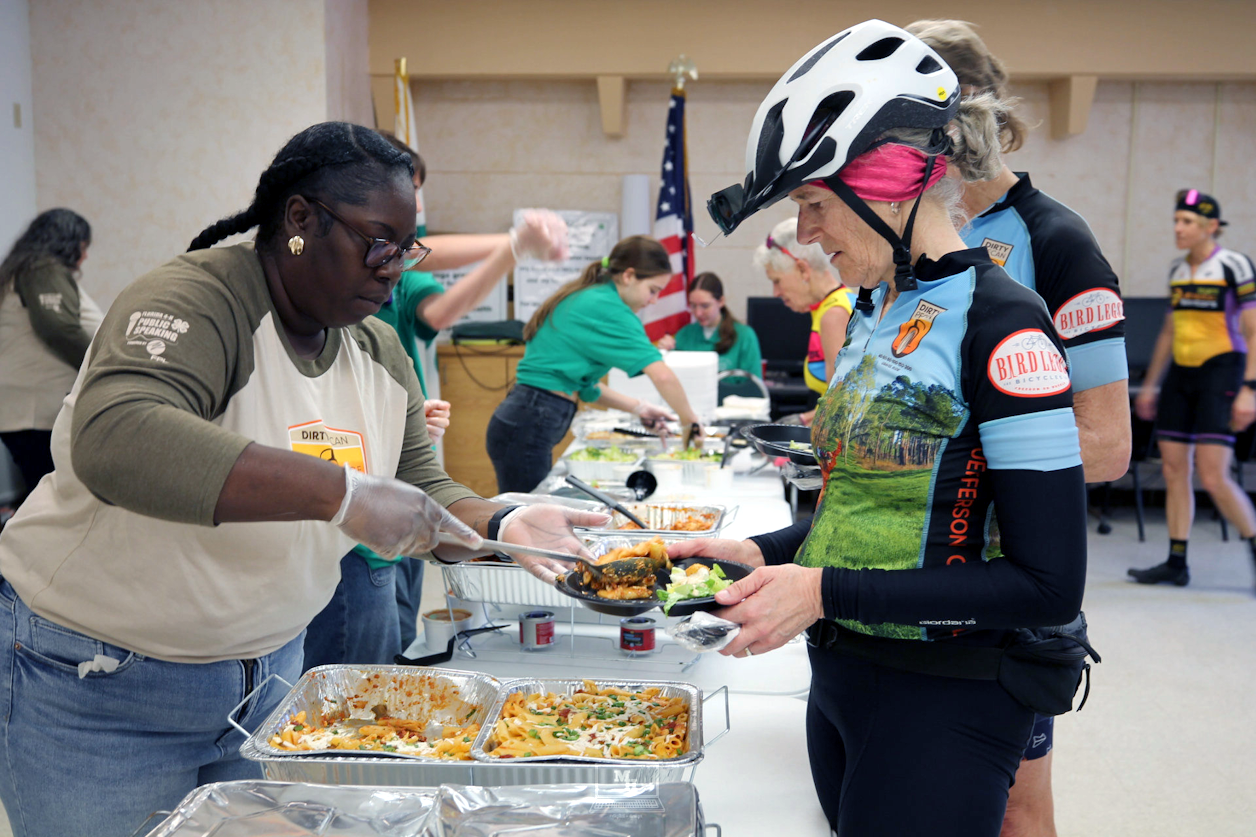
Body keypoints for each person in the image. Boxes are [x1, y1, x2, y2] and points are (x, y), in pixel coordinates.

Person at [0, 122, 602, 837]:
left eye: (405, 249)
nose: (392, 268)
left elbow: (423, 486)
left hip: (267, 687)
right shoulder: (199, 300)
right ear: (298, 220)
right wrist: (342, 493)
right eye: (376, 240)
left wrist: (498, 524)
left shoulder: (378, 348)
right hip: (104, 690)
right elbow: (117, 436)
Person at [689, 21, 1087, 837]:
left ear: (892, 179)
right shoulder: (876, 308)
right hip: (843, 672)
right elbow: (878, 507)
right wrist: (765, 551)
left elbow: (1050, 584)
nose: (804, 232)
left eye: (811, 203)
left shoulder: (1005, 323)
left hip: (947, 691)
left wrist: (824, 588)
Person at [906, 18, 1133, 837]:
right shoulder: (917, 244)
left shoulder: (1056, 241)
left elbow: (1107, 445)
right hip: (913, 578)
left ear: (961, 115)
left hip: (1008, 586)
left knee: (1015, 803)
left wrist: (975, 455)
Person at [304, 133, 569, 669]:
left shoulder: (394, 298)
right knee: (356, 664)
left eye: (418, 195)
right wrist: (511, 245)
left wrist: (496, 524)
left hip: (393, 507)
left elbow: (437, 309)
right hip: (346, 534)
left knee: (393, 632)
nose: (416, 210)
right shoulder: (303, 316)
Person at [486, 235, 705, 493]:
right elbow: (662, 376)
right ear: (628, 276)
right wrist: (690, 422)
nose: (654, 300)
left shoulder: (594, 296)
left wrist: (640, 408)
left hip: (525, 417)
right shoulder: (608, 307)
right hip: (529, 419)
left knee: (530, 513)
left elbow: (586, 387)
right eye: (653, 290)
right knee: (527, 518)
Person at [1130, 188, 1256, 589]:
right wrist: (1150, 386)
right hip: (1180, 378)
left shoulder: (1234, 266)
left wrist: (1250, 389)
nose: (1178, 228)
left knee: (1213, 476)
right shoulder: (1178, 270)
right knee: (1172, 469)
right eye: (1176, 221)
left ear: (1211, 226)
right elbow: (1169, 330)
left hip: (1222, 372)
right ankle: (1176, 561)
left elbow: (1253, 331)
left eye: (1187, 222)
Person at [0, 209, 102, 507]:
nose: (84, 258)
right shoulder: (42, 270)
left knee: (40, 494)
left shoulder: (21, 270)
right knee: (54, 500)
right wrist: (104, 364)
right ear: (68, 242)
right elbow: (58, 328)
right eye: (83, 247)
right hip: (39, 407)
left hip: (23, 406)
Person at [753, 217, 852, 424]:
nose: (776, 293)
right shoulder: (831, 305)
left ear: (802, 269)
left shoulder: (833, 314)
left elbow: (842, 404)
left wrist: (801, 419)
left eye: (777, 281)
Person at [657, 272, 763, 396]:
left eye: (705, 306)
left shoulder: (744, 336)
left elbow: (754, 387)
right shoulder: (684, 335)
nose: (698, 313)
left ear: (721, 301)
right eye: (693, 306)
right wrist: (665, 352)